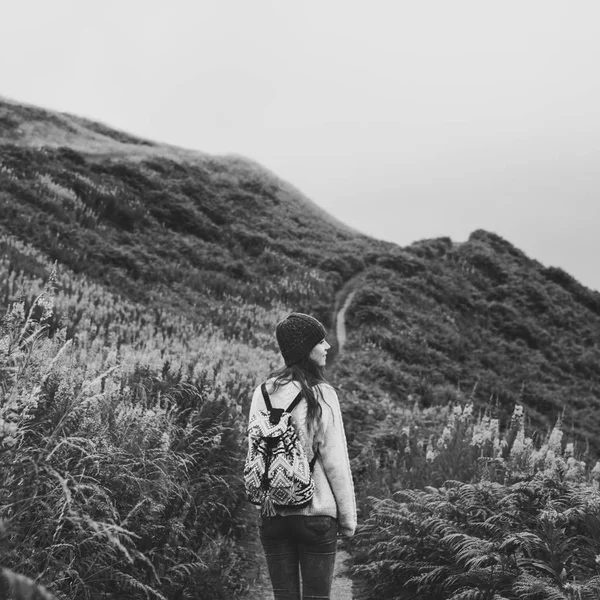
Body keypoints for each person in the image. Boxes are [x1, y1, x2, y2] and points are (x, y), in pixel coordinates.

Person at [248, 312, 357, 600]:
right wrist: (347, 520)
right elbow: (335, 462)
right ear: (306, 349)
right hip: (316, 514)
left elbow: (255, 451)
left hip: (273, 514)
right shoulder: (322, 394)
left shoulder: (262, 392)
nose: (327, 347)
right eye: (321, 341)